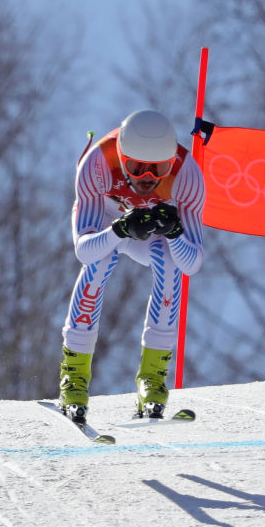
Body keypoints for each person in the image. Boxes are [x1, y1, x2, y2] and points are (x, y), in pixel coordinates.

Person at [58, 109, 205, 422]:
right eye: (137, 168)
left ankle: (153, 380)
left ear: (171, 162)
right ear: (123, 158)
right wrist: (118, 229)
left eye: (158, 169)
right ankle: (74, 378)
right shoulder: (97, 163)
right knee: (99, 262)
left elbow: (192, 263)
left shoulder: (187, 175)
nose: (147, 179)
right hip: (107, 221)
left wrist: (176, 233)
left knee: (170, 263)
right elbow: (84, 251)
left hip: (150, 234)